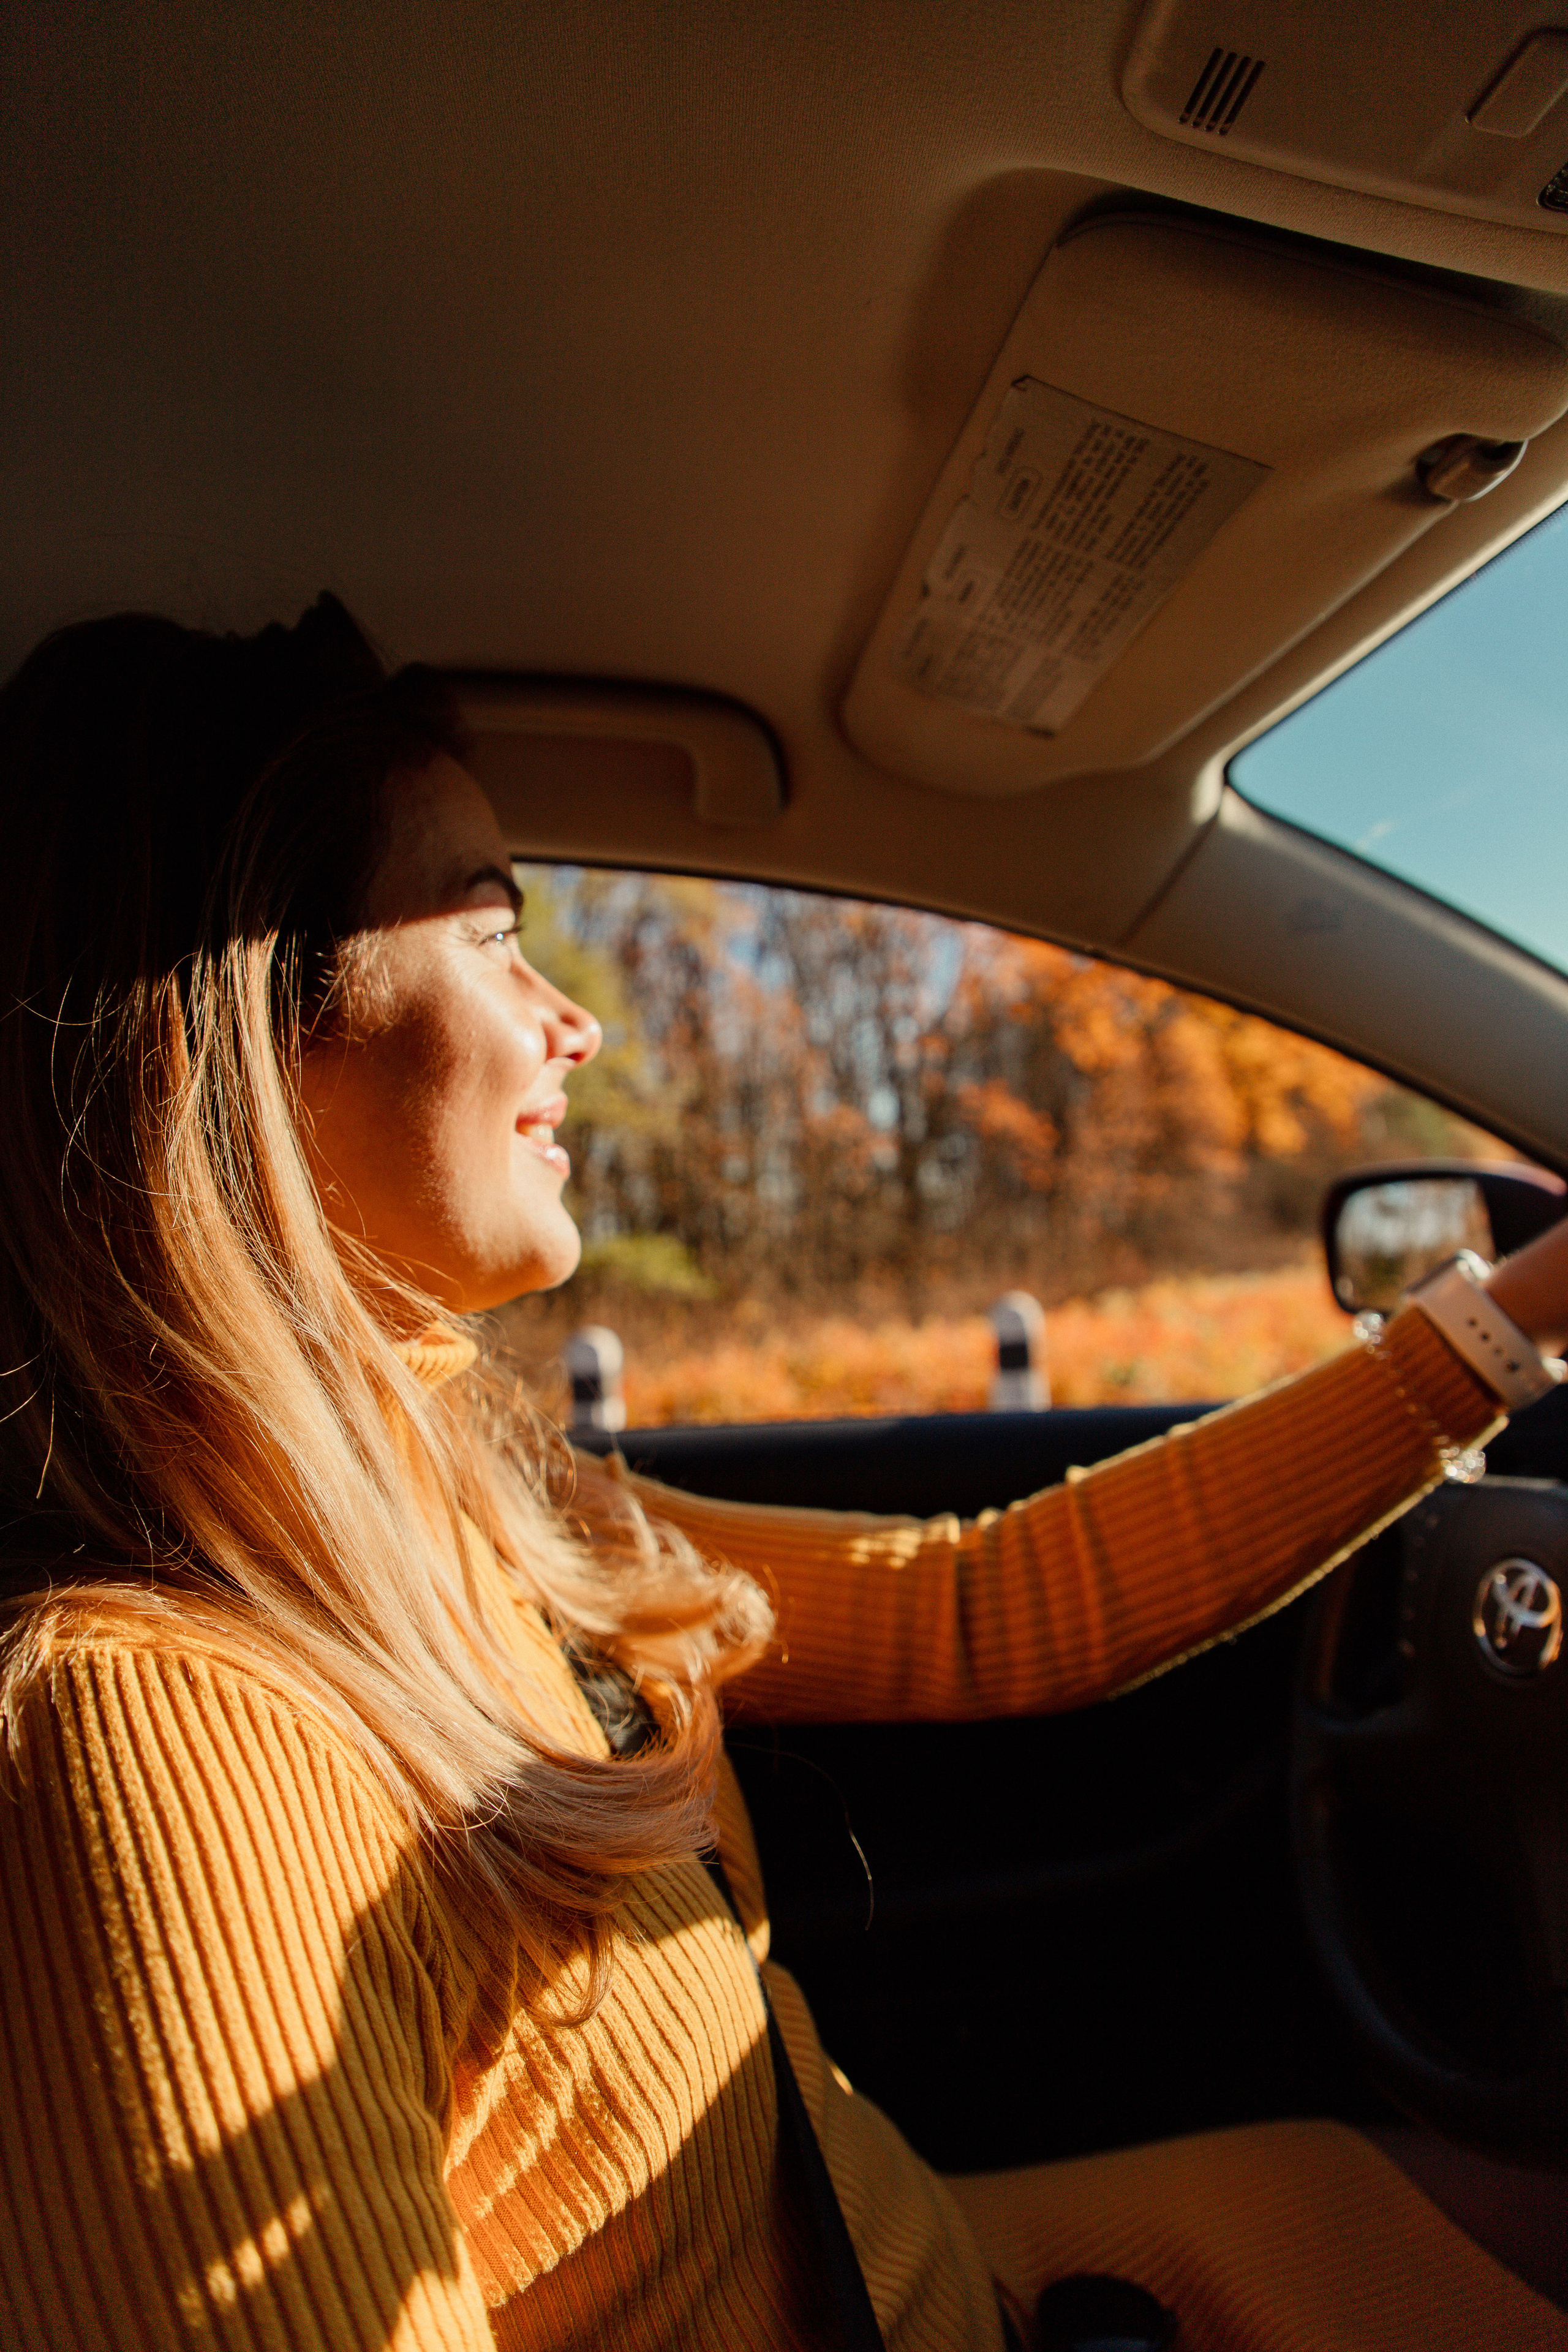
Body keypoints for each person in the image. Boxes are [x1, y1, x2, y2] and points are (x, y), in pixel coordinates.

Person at [1, 596, 1565, 2352]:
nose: (571, 1020)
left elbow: (990, 1606)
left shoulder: (469, 1504)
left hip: (926, 2269)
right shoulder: (150, 1734)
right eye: (495, 931)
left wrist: (1514, 1319)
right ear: (240, 1035)